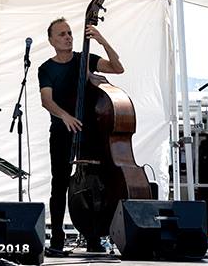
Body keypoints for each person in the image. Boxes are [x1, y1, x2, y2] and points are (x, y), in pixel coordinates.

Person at [38, 18, 124, 255]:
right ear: (52, 40)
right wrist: (65, 116)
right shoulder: (46, 68)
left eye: (69, 33)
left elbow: (117, 68)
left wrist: (102, 40)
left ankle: (93, 236)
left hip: (89, 132)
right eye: (61, 34)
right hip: (61, 132)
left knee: (94, 184)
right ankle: (56, 237)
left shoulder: (83, 59)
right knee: (60, 184)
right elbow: (46, 100)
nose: (68, 37)